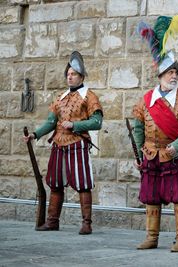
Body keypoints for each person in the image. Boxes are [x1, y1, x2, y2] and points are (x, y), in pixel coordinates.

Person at [23, 51, 103, 235]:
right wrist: (35, 135)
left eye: (73, 74)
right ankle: (52, 221)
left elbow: (97, 123)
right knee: (56, 183)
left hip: (78, 144)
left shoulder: (89, 96)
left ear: (81, 76)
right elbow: (51, 122)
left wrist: (75, 124)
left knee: (83, 183)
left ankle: (86, 223)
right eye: (68, 74)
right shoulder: (60, 97)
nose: (70, 77)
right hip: (58, 145)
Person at [131, 50, 178, 252]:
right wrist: (139, 153)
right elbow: (138, 128)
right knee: (151, 197)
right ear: (160, 76)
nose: (173, 76)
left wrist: (177, 145)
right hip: (151, 155)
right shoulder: (146, 100)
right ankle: (151, 237)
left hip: (176, 157)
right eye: (169, 72)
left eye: (175, 72)